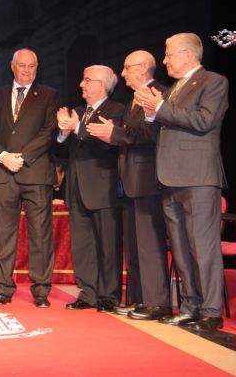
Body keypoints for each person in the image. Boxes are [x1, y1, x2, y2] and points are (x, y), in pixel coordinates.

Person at [134, 33, 228, 331]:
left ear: (188, 55)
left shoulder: (213, 81)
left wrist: (159, 108)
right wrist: (151, 115)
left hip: (198, 177)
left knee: (203, 246)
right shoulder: (175, 89)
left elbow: (204, 120)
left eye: (168, 54)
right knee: (182, 248)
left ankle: (211, 311)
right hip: (170, 176)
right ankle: (190, 306)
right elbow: (164, 129)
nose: (164, 60)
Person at [87, 50, 170, 320]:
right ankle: (138, 299)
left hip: (146, 180)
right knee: (133, 245)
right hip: (129, 181)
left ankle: (156, 302)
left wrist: (114, 134)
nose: (122, 74)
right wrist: (115, 134)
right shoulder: (135, 99)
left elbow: (150, 134)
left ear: (144, 67)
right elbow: (134, 134)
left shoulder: (158, 92)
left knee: (148, 244)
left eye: (126, 68)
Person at [0, 48, 59, 308]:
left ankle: (41, 291)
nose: (27, 70)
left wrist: (23, 157)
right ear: (12, 66)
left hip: (36, 173)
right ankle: (3, 288)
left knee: (40, 235)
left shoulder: (49, 95)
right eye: (22, 65)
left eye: (32, 66)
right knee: (4, 235)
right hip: (4, 173)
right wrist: (4, 156)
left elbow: (49, 130)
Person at [56, 65, 125, 312]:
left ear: (102, 84)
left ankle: (109, 295)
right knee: (82, 245)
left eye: (87, 80)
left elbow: (109, 145)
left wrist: (76, 129)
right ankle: (88, 292)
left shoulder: (116, 111)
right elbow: (63, 152)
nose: (81, 85)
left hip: (103, 189)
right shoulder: (78, 112)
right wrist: (63, 134)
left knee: (107, 244)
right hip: (76, 189)